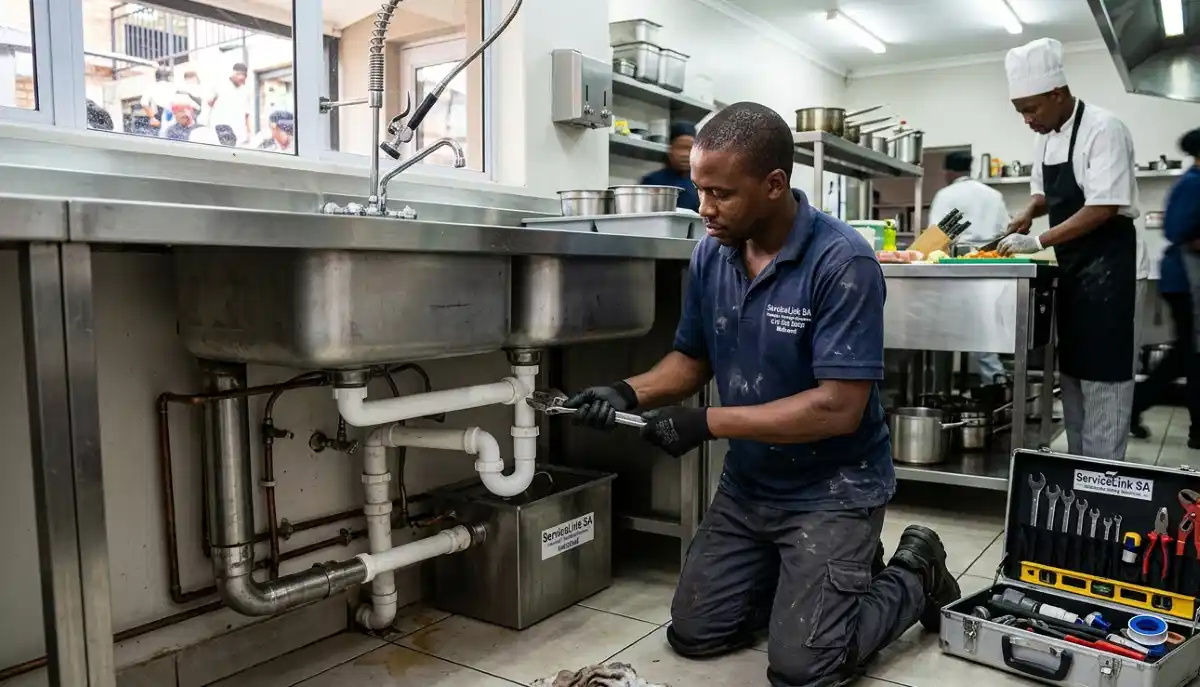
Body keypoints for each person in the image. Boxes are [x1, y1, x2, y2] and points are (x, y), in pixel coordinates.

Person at [565, 102, 959, 687]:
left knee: (804, 670)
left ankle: (914, 570)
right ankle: (821, 580)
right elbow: (691, 360)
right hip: (750, 485)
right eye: (700, 191)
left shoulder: (842, 262)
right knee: (694, 635)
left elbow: (839, 407)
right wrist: (626, 392)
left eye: (720, 194)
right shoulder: (711, 254)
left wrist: (708, 424)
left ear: (774, 185)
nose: (705, 210)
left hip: (834, 487)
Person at [1000, 38, 1139, 461]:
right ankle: (1080, 466)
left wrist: (1038, 240)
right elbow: (1045, 194)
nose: (1027, 120)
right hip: (1073, 267)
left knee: (1105, 374)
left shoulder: (1103, 128)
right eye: (1020, 110)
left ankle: (1105, 478)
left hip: (1108, 265)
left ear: (1056, 94)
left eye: (1031, 109)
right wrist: (1027, 213)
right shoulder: (1044, 139)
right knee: (1074, 370)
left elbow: (1103, 205)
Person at [929, 150, 1009, 384]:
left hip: (957, 268)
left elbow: (937, 235)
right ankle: (996, 385)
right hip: (991, 266)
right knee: (984, 331)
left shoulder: (946, 194)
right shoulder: (993, 195)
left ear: (948, 172)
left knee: (952, 331)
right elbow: (1006, 230)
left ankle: (946, 388)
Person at [1141, 128, 1200, 446]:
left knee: (1189, 354)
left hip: (1189, 280)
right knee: (1190, 355)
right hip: (1184, 281)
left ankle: (1137, 404)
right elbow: (1176, 229)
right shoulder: (1192, 184)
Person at [640, 122, 700, 211]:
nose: (685, 154)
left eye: (690, 148)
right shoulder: (652, 182)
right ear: (670, 150)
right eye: (680, 148)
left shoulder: (702, 186)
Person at [208, 62, 251, 145]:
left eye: (244, 76)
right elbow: (208, 104)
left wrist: (249, 132)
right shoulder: (220, 85)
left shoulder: (245, 91)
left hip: (239, 134)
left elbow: (247, 114)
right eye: (239, 75)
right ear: (234, 74)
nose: (241, 78)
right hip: (220, 131)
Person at [139, 67, 177, 137]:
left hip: (159, 117)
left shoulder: (152, 87)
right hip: (171, 115)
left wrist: (152, 118)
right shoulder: (174, 88)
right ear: (168, 77)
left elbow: (144, 103)